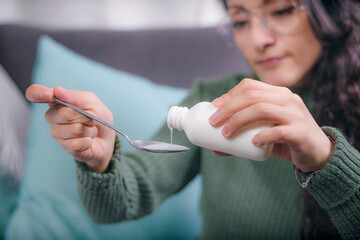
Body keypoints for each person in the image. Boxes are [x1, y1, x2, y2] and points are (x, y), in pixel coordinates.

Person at [25, 0, 360, 239]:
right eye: (241, 21)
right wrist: (99, 161)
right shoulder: (212, 101)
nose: (258, 40)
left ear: (328, 9)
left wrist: (328, 159)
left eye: (282, 10)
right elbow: (121, 202)